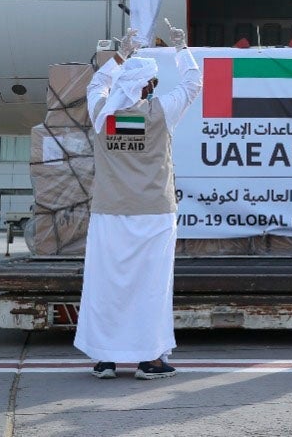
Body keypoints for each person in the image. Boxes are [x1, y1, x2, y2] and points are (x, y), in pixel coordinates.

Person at [75, 21, 201, 380]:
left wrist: (122, 53)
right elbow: (194, 84)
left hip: (109, 213)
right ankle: (150, 360)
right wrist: (182, 51)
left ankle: (105, 359)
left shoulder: (103, 114)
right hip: (153, 215)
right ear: (148, 85)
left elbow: (98, 83)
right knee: (150, 288)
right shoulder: (161, 112)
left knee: (106, 284)